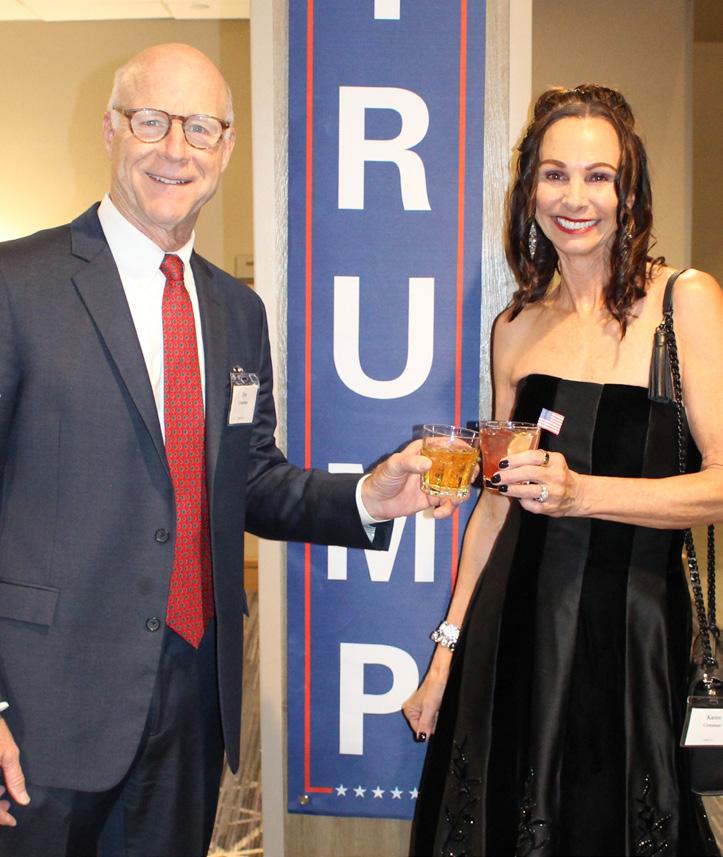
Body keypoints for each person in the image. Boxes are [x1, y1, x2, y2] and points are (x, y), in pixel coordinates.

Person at [0, 43, 467, 856]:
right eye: (152, 121)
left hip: (189, 707)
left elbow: (247, 477)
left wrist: (369, 497)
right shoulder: (18, 284)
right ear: (111, 130)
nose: (175, 149)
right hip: (40, 714)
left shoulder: (235, 310)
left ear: (226, 146)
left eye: (200, 128)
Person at [403, 84, 723, 856]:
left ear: (628, 189)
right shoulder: (514, 326)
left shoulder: (681, 301)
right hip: (511, 633)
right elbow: (493, 507)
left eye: (597, 176)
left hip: (630, 635)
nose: (573, 198)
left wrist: (581, 493)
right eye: (553, 175)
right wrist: (445, 654)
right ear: (529, 190)